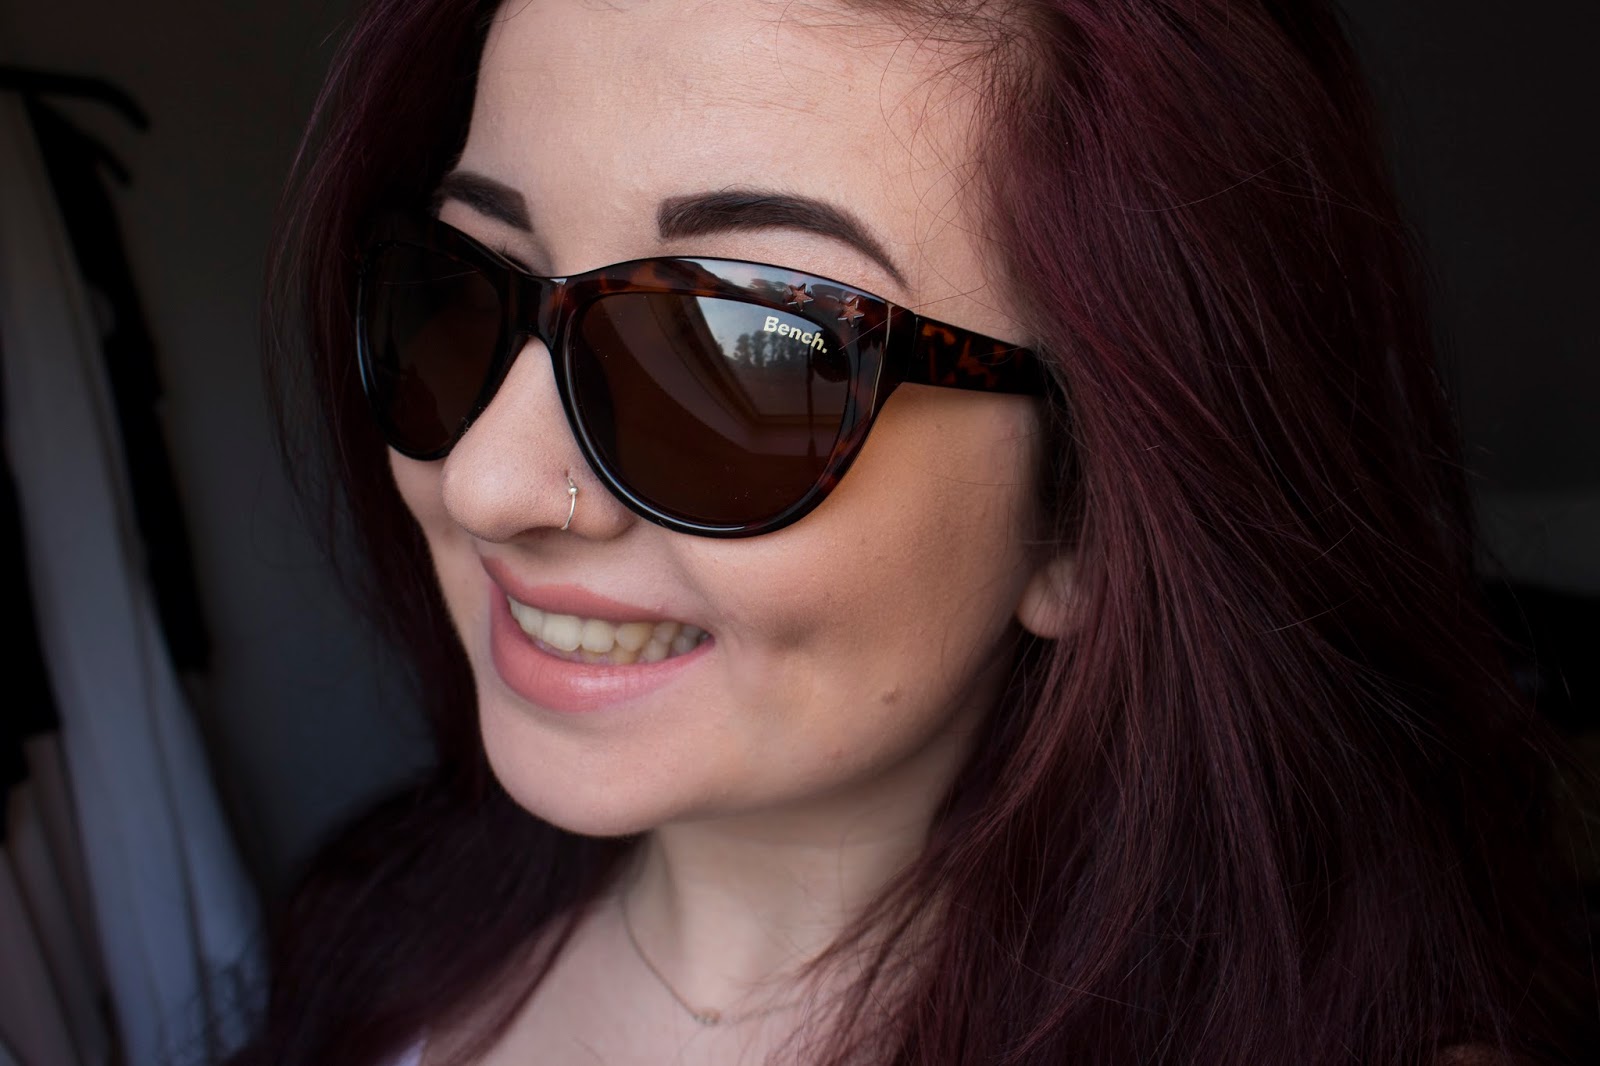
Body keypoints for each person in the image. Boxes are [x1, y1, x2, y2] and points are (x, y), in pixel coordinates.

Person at [238, 0, 1594, 1063]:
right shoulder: (366, 929)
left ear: (1084, 508)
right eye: (461, 284)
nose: (487, 480)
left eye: (735, 350)